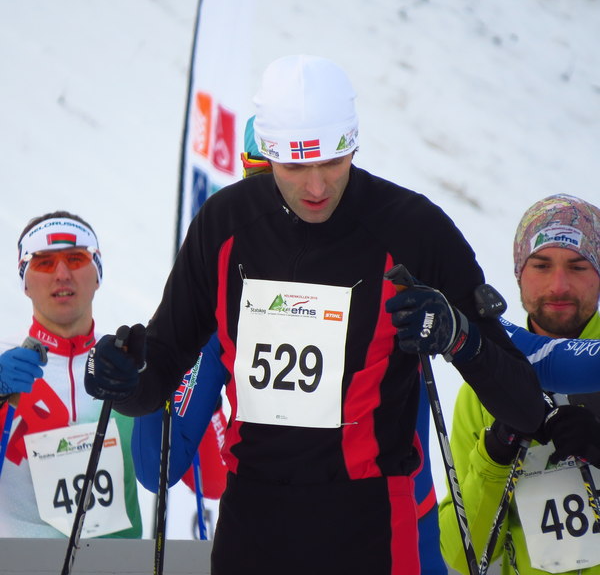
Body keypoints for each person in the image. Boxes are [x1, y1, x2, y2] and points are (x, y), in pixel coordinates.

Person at [85, 54, 576, 575]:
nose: (317, 187)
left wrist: (459, 337)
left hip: (370, 521)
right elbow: (157, 373)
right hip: (253, 521)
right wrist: (119, 377)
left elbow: (524, 405)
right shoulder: (224, 224)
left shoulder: (414, 229)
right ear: (268, 152)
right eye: (296, 166)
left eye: (333, 162)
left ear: (354, 145)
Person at [439, 194, 600, 575]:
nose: (558, 285)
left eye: (578, 266)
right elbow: (460, 555)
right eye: (541, 265)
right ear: (518, 273)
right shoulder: (481, 387)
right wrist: (495, 454)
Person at [0, 211, 142, 539]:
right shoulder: (4, 361)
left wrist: (195, 390)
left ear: (98, 274)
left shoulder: (129, 363)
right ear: (24, 281)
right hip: (19, 561)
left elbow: (209, 481)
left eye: (76, 258)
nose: (62, 274)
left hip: (119, 562)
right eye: (44, 262)